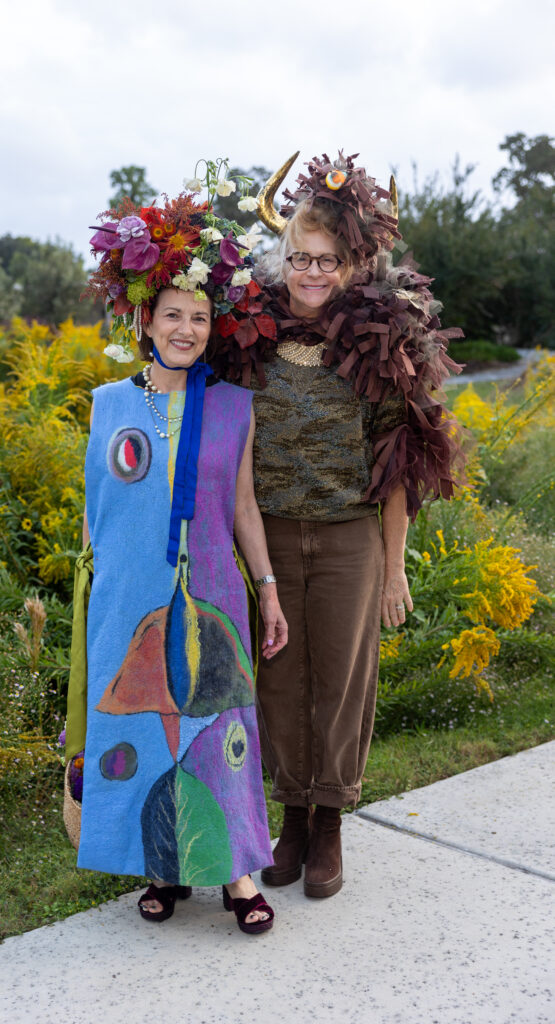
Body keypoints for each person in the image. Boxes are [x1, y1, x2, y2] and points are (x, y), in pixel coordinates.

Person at [211, 151, 464, 899]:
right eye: (299, 257)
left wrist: (394, 570)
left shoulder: (381, 346)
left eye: (327, 260)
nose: (311, 273)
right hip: (269, 535)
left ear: (354, 264)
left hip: (351, 537)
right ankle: (290, 816)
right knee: (279, 679)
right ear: (280, 257)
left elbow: (398, 471)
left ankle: (329, 825)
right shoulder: (247, 337)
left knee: (345, 681)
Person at [65, 184, 288, 935]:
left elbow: (244, 509)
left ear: (210, 328)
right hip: (128, 595)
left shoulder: (233, 407)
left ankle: (236, 871)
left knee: (217, 726)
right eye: (172, 315)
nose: (186, 328)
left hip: (213, 595)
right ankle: (160, 864)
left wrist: (268, 590)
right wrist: (91, 602)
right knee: (139, 725)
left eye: (198, 317)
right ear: (145, 322)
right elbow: (96, 511)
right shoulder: (107, 405)